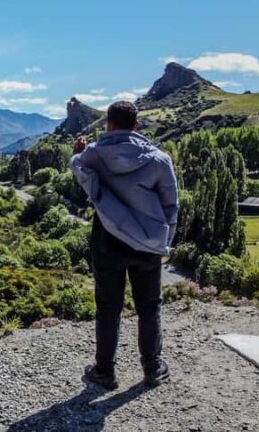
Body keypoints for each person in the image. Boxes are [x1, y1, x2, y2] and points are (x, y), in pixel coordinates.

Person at [70, 101, 179, 390]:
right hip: (147, 243)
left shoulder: (92, 154)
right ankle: (153, 368)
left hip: (107, 240)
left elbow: (80, 174)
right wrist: (164, 243)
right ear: (136, 125)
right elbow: (171, 206)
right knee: (149, 306)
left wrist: (76, 155)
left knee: (108, 307)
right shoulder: (158, 159)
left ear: (108, 124)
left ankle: (105, 371)